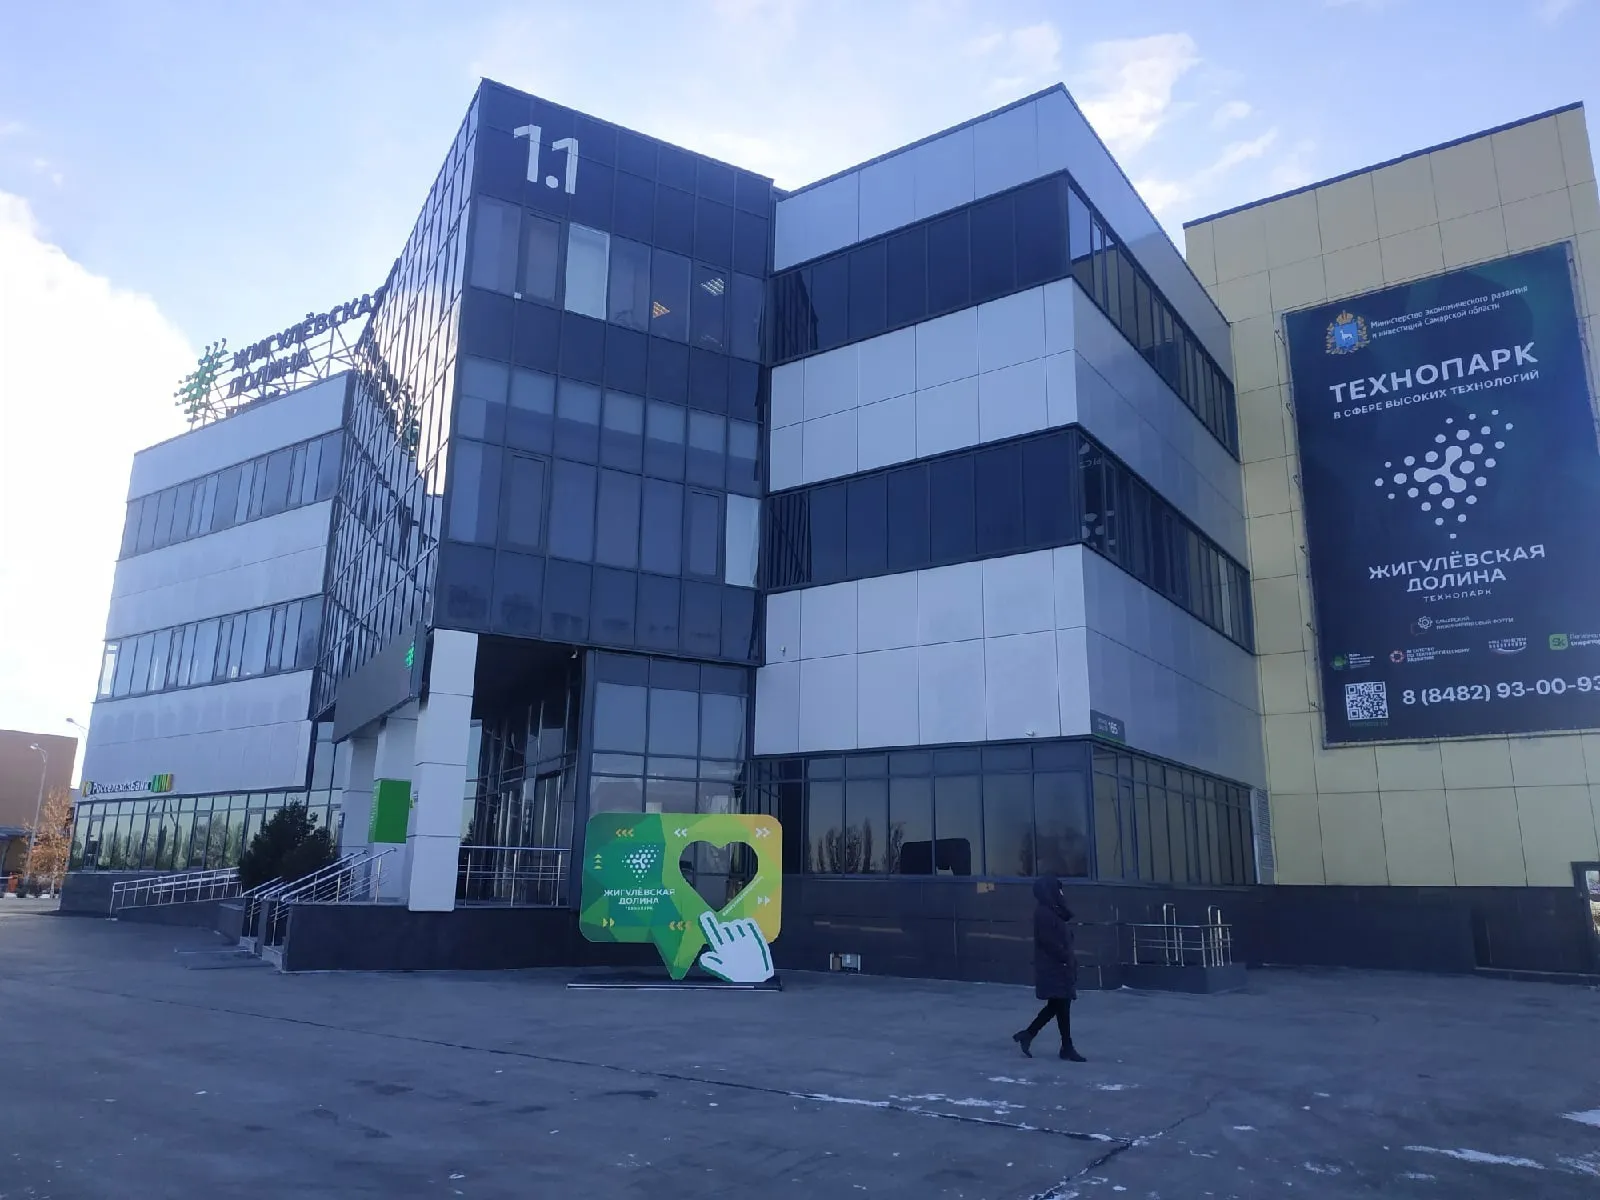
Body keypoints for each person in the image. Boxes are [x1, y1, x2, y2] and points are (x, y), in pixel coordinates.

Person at [1013, 875, 1086, 1062]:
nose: (1061, 893)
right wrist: (1064, 956)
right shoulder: (1044, 913)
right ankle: (1064, 1046)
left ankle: (1031, 1035)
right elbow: (1048, 941)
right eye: (1058, 889)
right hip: (1054, 967)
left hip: (1059, 967)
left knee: (1058, 1005)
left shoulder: (1052, 910)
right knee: (1060, 1005)